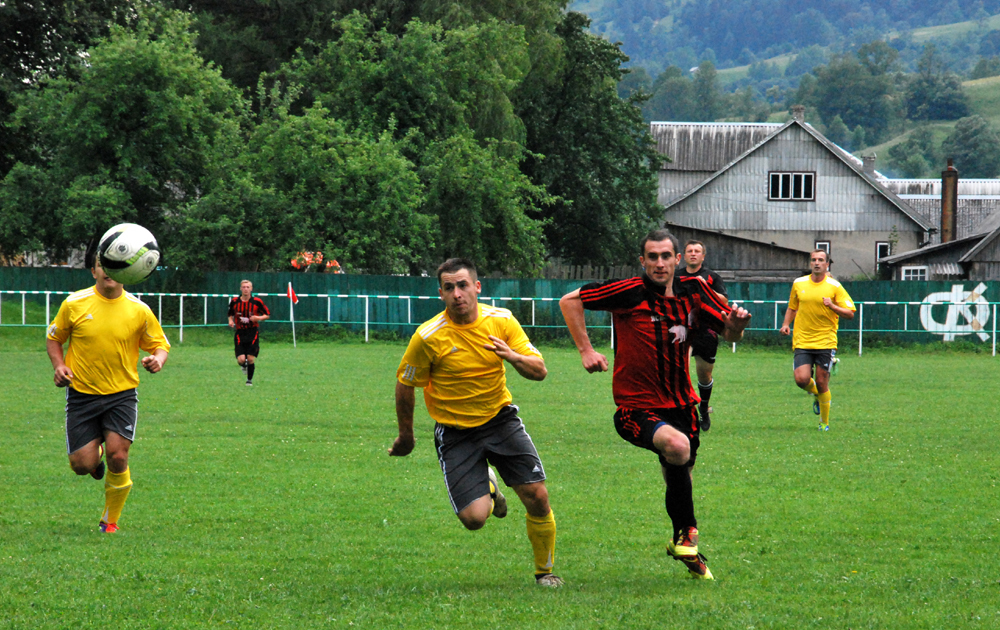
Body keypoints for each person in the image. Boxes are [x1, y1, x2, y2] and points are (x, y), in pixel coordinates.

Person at [560, 229, 750, 580]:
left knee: (680, 477)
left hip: (681, 405)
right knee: (677, 448)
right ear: (642, 261)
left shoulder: (695, 292)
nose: (659, 263)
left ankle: (685, 549)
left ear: (678, 260)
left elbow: (729, 332)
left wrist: (736, 327)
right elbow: (570, 300)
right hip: (635, 408)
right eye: (652, 257)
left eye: (666, 256)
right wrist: (586, 349)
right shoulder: (628, 291)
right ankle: (688, 533)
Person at [389, 258, 563, 587]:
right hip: (456, 434)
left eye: (463, 285)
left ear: (477, 287)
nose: (457, 293)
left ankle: (545, 572)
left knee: (538, 496)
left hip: (500, 421)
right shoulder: (428, 337)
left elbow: (539, 371)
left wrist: (512, 356)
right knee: (474, 520)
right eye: (449, 287)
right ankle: (489, 483)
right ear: (440, 293)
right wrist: (406, 436)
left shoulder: (502, 321)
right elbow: (405, 384)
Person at [46, 238, 171, 533]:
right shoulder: (75, 303)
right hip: (81, 396)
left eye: (116, 265)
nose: (109, 270)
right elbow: (54, 338)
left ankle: (109, 521)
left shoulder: (139, 310)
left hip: (121, 395)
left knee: (119, 454)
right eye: (103, 264)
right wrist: (59, 366)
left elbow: (160, 344)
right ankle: (94, 457)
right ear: (93, 271)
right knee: (80, 465)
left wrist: (158, 360)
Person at [779, 250, 855, 431]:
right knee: (801, 379)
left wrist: (832, 305)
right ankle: (817, 396)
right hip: (802, 340)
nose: (816, 263)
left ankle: (824, 423)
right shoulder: (798, 283)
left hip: (825, 341)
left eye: (821, 260)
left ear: (827, 264)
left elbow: (850, 313)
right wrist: (785, 324)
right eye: (813, 260)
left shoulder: (834, 286)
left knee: (822, 382)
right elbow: (792, 306)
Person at [676, 240, 728, 432]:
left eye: (697, 251)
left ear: (703, 256)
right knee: (681, 371)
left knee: (704, 376)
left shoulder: (711, 276)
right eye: (689, 250)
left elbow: (724, 300)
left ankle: (704, 407)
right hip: (683, 329)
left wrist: (705, 288)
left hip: (706, 330)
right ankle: (684, 412)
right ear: (683, 255)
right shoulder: (676, 276)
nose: (693, 254)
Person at [228, 280, 270, 386]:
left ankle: (249, 381)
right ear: (240, 289)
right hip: (240, 333)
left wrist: (258, 318)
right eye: (244, 287)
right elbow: (230, 313)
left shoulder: (257, 301)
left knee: (250, 358)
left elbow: (267, 314)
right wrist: (231, 321)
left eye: (248, 287)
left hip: (252, 332)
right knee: (241, 360)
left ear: (251, 289)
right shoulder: (234, 301)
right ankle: (243, 365)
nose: (245, 289)